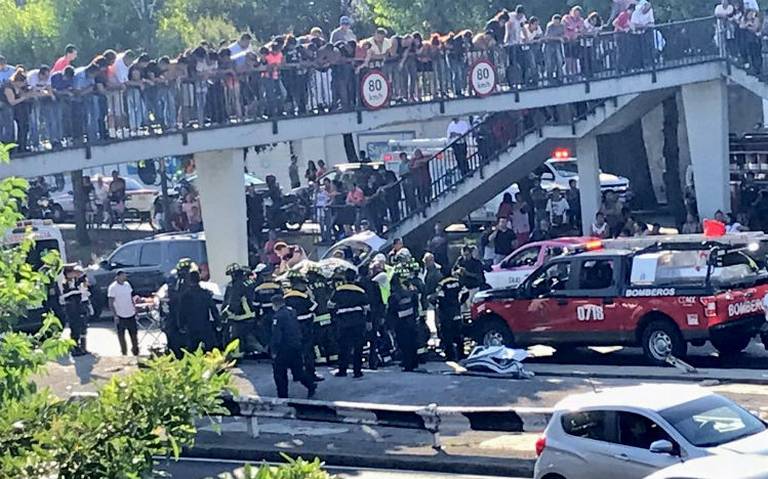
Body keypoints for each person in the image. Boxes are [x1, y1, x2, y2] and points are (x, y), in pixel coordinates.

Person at [270, 294, 317, 399]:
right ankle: (311, 385)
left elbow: (276, 335)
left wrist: (274, 350)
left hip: (283, 348)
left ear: (275, 304)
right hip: (296, 346)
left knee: (280, 373)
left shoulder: (277, 317)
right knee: (298, 371)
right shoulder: (292, 312)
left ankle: (282, 396)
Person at [329, 269, 370, 378]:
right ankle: (357, 371)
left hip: (343, 322)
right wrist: (368, 322)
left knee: (343, 347)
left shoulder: (338, 290)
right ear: (355, 278)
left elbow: (331, 305)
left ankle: (342, 370)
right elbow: (367, 307)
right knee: (358, 347)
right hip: (358, 322)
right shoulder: (360, 291)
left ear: (345, 278)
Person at [283, 270, 322, 382]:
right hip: (305, 327)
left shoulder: (286, 297)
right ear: (299, 284)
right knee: (308, 351)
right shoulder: (304, 297)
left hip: (291, 328)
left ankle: (296, 374)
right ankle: (311, 374)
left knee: (295, 352)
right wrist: (310, 294)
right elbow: (314, 307)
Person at [222, 263, 258, 357]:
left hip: (240, 315)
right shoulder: (249, 282)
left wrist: (226, 313)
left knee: (236, 337)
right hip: (251, 313)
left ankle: (236, 356)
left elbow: (234, 301)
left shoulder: (236, 285)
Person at [180, 270, 221, 351]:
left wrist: (181, 324)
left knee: (192, 349)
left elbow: (181, 311)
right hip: (204, 324)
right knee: (211, 348)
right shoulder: (205, 293)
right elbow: (213, 309)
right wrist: (217, 322)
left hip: (191, 325)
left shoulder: (185, 295)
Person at [388, 271, 421, 372]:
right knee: (412, 342)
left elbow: (391, 312)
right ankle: (414, 362)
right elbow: (415, 304)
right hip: (411, 321)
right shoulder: (408, 293)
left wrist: (390, 325)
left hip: (401, 324)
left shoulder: (394, 297)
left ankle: (408, 365)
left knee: (404, 344)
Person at [58, 264, 90, 356]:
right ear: (68, 273)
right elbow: (63, 296)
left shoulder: (76, 281)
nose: (75, 274)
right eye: (73, 272)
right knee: (74, 328)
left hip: (78, 307)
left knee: (82, 327)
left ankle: (82, 348)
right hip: (71, 308)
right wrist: (75, 292)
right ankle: (74, 349)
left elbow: (83, 287)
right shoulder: (64, 282)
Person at [108, 270, 139, 357]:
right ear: (117, 276)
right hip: (120, 314)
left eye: (125, 275)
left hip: (130, 313)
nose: (124, 277)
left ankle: (136, 351)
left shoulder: (127, 285)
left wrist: (135, 309)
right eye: (122, 275)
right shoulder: (113, 287)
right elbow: (111, 302)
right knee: (121, 336)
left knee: (134, 334)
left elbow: (131, 297)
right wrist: (115, 315)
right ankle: (124, 353)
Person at [433, 272, 463, 361]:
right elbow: (465, 292)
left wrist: (442, 307)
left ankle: (450, 356)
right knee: (458, 333)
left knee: (447, 335)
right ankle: (461, 354)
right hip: (456, 311)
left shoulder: (442, 283)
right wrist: (458, 303)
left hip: (446, 313)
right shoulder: (458, 282)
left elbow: (440, 297)